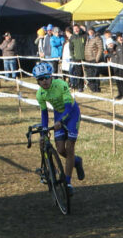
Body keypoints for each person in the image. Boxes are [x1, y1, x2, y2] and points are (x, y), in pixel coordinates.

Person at [33, 62, 85, 193]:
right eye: (40, 79)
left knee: (70, 146)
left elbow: (68, 107)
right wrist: (44, 131)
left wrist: (61, 121)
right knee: (61, 150)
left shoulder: (61, 84)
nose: (44, 81)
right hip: (59, 115)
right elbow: (44, 114)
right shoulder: (40, 94)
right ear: (37, 82)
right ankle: (77, 161)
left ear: (51, 77)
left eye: (46, 77)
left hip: (72, 114)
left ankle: (67, 183)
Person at [68, 25, 85, 89]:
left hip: (84, 57)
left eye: (77, 28)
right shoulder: (72, 38)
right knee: (78, 73)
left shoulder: (83, 36)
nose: (76, 30)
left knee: (85, 72)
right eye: (74, 29)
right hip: (76, 58)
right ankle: (80, 86)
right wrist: (73, 56)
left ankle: (87, 85)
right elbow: (71, 48)